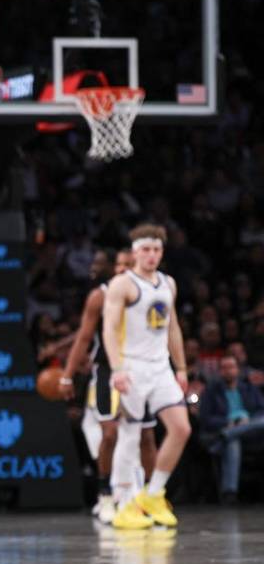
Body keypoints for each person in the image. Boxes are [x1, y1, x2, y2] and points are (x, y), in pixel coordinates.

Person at [102, 224, 191, 529]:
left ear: (161, 252)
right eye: (145, 249)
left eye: (156, 250)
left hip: (160, 366)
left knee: (181, 429)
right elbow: (110, 329)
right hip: (132, 366)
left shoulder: (169, 283)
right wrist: (116, 369)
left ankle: (153, 494)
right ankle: (124, 503)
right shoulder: (122, 284)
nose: (151, 255)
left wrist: (180, 367)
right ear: (135, 251)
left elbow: (173, 327)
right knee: (130, 436)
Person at [60, 248, 158, 524]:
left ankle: (151, 498)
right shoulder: (100, 296)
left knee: (147, 437)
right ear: (112, 268)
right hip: (108, 370)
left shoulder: (150, 292)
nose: (123, 270)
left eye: (129, 265)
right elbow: (83, 338)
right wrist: (68, 374)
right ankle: (105, 496)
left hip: (141, 370)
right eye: (120, 265)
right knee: (110, 434)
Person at [199, 354, 264, 503]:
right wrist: (228, 422)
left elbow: (261, 410)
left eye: (231, 367)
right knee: (233, 443)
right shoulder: (211, 391)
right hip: (225, 430)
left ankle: (228, 434)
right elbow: (206, 418)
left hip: (251, 432)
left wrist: (247, 421)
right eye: (224, 368)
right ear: (220, 371)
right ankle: (230, 494)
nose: (228, 371)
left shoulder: (249, 388)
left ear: (238, 370)